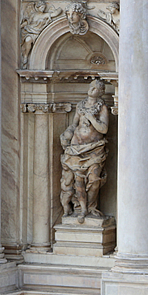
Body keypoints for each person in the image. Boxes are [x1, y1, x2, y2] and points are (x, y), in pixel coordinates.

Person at [60, 79, 109, 223]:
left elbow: (104, 129)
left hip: (94, 149)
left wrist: (92, 119)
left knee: (94, 180)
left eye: (95, 88)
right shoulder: (80, 105)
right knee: (78, 181)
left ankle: (91, 206)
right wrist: (66, 134)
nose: (91, 89)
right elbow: (74, 124)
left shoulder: (102, 108)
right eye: (91, 86)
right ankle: (82, 209)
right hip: (76, 148)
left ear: (100, 92)